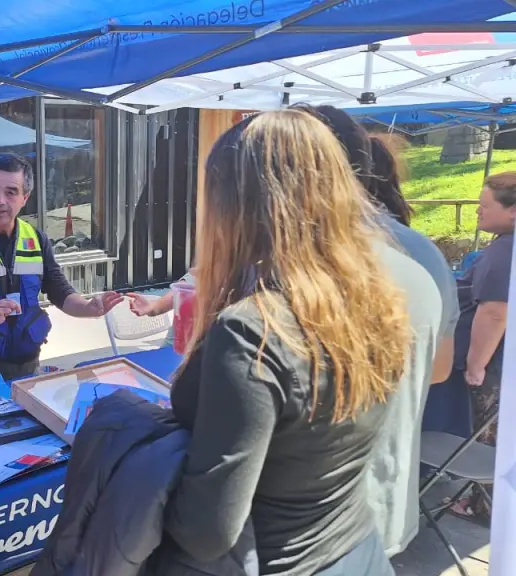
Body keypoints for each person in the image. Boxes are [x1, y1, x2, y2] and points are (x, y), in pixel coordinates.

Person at [166, 110, 424, 575]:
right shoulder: (375, 299)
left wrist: (133, 482)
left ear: (234, 205)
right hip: (359, 552)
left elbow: (208, 532)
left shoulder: (252, 331)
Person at [293, 104, 457, 557]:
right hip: (384, 499)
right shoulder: (422, 254)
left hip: (308, 523)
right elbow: (438, 369)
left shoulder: (299, 261)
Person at [0, 153, 122, 385]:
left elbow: (59, 289)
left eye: (11, 192)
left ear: (25, 197)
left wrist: (89, 307)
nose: (0, 200)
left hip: (27, 360)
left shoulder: (36, 239)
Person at [431, 171, 516, 523]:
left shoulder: (503, 251)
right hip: (500, 360)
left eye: (484, 206)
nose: (478, 212)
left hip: (492, 365)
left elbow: (495, 312)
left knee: (488, 437)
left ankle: (487, 508)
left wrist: (476, 364)